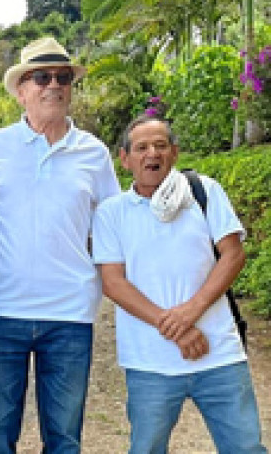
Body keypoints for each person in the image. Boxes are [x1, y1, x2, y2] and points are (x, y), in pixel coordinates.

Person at [0, 36, 121, 453]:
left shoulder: (94, 153)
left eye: (63, 77)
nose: (53, 85)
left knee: (65, 439)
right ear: (21, 91)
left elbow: (112, 227)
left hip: (70, 313)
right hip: (2, 310)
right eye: (41, 77)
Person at [91, 116, 267, 454]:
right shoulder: (111, 213)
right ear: (125, 159)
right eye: (141, 147)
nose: (151, 154)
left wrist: (191, 311)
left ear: (174, 152)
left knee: (246, 448)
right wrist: (175, 326)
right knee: (146, 448)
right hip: (149, 362)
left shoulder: (204, 192)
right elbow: (113, 283)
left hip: (219, 355)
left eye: (160, 145)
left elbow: (233, 255)